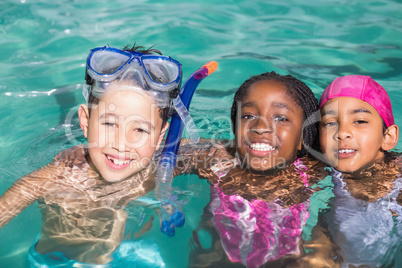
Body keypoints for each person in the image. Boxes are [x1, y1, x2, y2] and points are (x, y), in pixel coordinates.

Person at [0, 43, 183, 266]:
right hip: (59, 261)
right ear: (85, 122)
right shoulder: (60, 177)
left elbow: (217, 153)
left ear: (161, 137)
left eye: (140, 129)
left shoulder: (160, 166)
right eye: (109, 123)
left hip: (134, 254)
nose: (121, 144)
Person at [176, 71, 339, 268]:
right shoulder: (218, 161)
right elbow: (164, 155)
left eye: (281, 118)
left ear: (303, 137)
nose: (260, 127)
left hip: (287, 262)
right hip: (215, 257)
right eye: (248, 116)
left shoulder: (312, 169)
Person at [317, 75, 402, 267]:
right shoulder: (318, 170)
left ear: (388, 137)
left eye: (360, 121)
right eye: (330, 123)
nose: (342, 132)